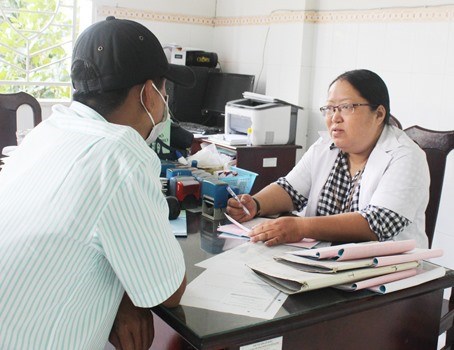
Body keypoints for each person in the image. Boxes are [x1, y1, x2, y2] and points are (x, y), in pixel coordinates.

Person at [0, 17, 195, 349]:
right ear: (149, 94)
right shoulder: (122, 156)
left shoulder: (48, 131)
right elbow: (169, 289)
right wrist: (130, 292)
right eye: (164, 90)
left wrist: (121, 296)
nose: (165, 101)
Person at [227, 69, 430, 249]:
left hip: (388, 274)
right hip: (325, 262)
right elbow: (289, 189)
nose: (335, 117)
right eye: (330, 108)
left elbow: (377, 223)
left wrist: (301, 227)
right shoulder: (326, 147)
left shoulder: (405, 156)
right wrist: (256, 203)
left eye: (346, 107)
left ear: (378, 114)